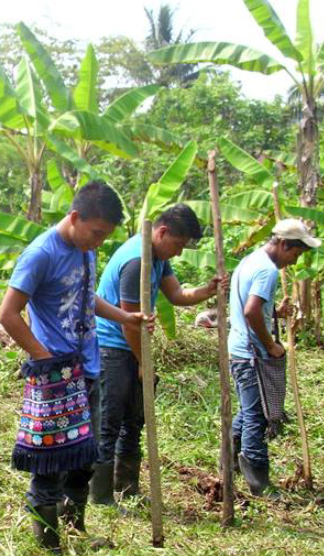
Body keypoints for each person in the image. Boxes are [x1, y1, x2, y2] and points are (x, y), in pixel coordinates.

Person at [0, 180, 149, 552]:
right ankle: (48, 543)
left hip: (89, 369)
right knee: (51, 461)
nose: (99, 242)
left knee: (85, 455)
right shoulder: (41, 254)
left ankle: (74, 526)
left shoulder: (85, 251)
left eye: (105, 237)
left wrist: (125, 317)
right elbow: (8, 313)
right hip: (55, 375)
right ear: (75, 217)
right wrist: (43, 357)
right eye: (96, 233)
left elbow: (84, 296)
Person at [90, 204, 228, 505]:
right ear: (162, 232)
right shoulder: (136, 261)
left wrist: (208, 290)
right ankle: (100, 496)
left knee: (134, 420)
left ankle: (127, 488)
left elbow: (177, 296)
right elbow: (129, 323)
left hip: (135, 345)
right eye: (177, 245)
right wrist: (145, 362)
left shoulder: (157, 258)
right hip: (112, 347)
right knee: (109, 422)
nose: (178, 253)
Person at [228, 219, 320, 497]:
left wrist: (275, 312)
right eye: (295, 253)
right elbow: (250, 311)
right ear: (282, 244)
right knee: (257, 416)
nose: (294, 261)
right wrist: (270, 344)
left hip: (239, 349)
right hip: (252, 354)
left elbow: (253, 307)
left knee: (248, 409)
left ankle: (229, 461)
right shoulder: (267, 270)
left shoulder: (250, 261)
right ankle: (258, 478)